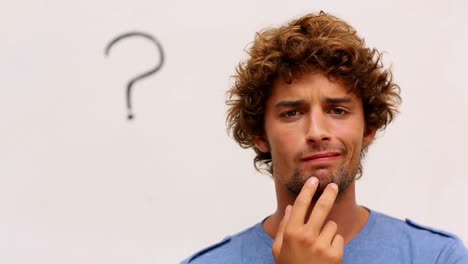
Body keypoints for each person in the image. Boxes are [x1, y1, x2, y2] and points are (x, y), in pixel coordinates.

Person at [181, 11, 468, 263]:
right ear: (260, 134)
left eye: (338, 110)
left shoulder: (437, 257)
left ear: (369, 128)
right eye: (292, 113)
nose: (317, 132)